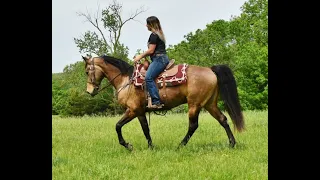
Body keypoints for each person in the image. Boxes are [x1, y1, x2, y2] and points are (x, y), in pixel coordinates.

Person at [134, 16, 169, 109]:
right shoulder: (159, 34)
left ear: (151, 25)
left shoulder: (154, 35)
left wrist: (139, 57)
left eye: (147, 24)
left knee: (148, 77)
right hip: (160, 58)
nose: (146, 25)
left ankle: (156, 102)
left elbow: (151, 50)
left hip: (159, 59)